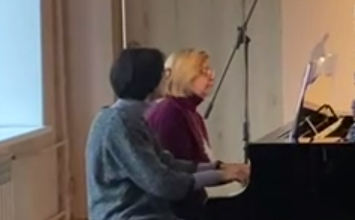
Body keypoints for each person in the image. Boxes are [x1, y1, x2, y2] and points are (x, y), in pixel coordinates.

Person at [85, 47, 249, 220]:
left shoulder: (131, 118)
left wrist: (219, 167)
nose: (168, 77)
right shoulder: (119, 123)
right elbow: (161, 182)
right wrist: (222, 175)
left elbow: (166, 162)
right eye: (165, 72)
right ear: (151, 80)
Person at [147, 48, 251, 220]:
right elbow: (174, 173)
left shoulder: (188, 112)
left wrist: (229, 169)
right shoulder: (170, 113)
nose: (211, 76)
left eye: (210, 70)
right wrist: (227, 173)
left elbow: (197, 165)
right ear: (184, 74)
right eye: (203, 71)